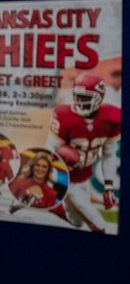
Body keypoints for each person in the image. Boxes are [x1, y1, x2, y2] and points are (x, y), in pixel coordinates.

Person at [44, 72, 121, 232]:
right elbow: (49, 147)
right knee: (99, 226)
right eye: (77, 97)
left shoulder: (112, 116)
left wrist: (109, 187)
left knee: (76, 222)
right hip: (66, 179)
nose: (79, 102)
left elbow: (109, 154)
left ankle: (52, 206)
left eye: (84, 98)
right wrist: (56, 163)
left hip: (85, 177)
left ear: (98, 97)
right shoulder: (64, 115)